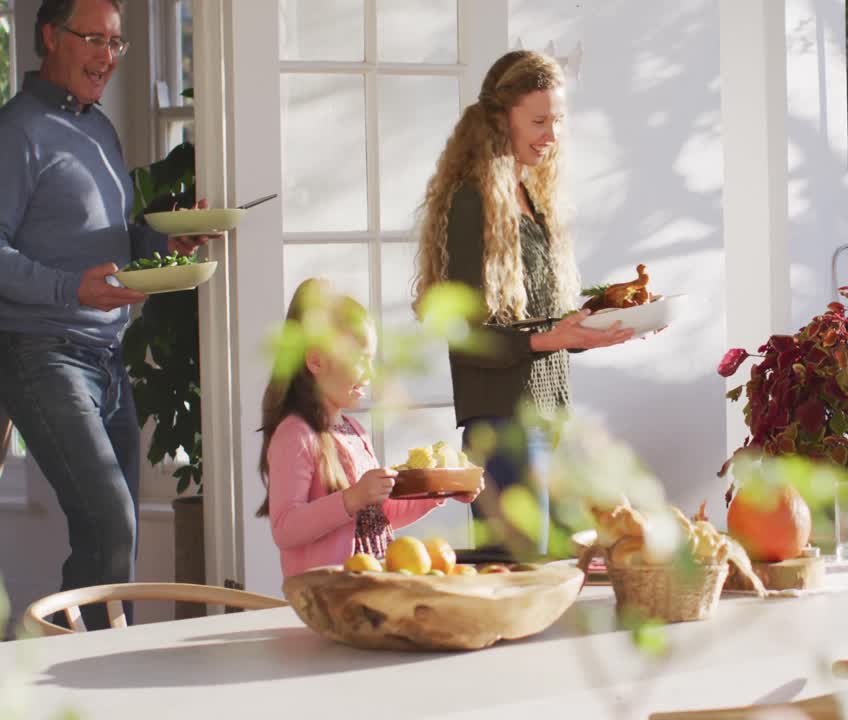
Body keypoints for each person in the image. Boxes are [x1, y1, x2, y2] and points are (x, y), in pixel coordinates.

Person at [0, 0, 215, 630]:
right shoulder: (16, 132)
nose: (108, 57)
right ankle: (75, 674)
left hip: (106, 356)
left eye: (117, 43)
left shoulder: (98, 128)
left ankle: (77, 680)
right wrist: (72, 290)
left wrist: (161, 245)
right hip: (41, 353)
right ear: (49, 37)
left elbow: (112, 238)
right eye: (94, 38)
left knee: (115, 541)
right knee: (110, 521)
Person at [412, 50, 632, 556]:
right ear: (499, 118)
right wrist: (554, 337)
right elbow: (465, 337)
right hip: (502, 430)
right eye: (538, 121)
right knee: (523, 579)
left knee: (557, 578)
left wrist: (600, 325)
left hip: (548, 419)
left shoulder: (530, 197)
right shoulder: (472, 203)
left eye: (557, 120)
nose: (551, 135)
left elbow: (537, 325)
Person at [259, 279, 479, 577]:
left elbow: (382, 515)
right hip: (331, 596)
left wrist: (441, 490)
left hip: (376, 583)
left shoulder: (354, 431)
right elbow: (285, 529)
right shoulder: (296, 434)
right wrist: (352, 498)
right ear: (316, 361)